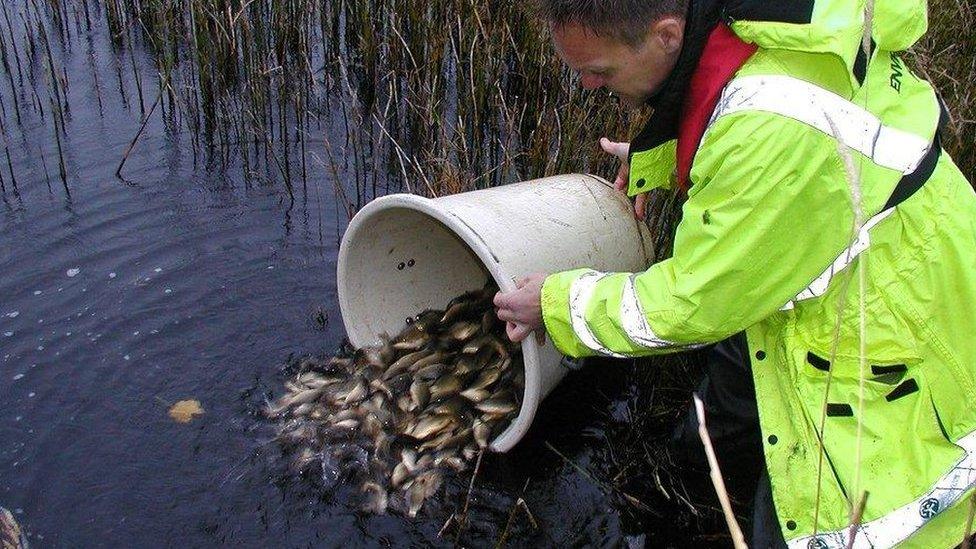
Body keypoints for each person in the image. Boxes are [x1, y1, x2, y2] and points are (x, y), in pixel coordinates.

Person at [492, 0, 976, 547]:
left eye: (600, 72)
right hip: (836, 255)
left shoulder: (764, 137)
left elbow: (684, 307)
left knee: (812, 522)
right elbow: (751, 108)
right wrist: (666, 155)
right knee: (718, 417)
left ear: (666, 35)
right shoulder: (750, 19)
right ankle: (692, 487)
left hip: (882, 337)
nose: (585, 86)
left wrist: (555, 304)